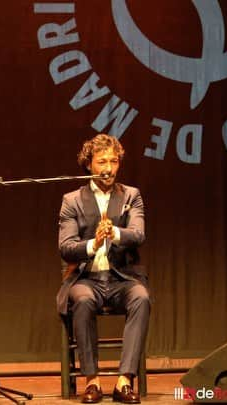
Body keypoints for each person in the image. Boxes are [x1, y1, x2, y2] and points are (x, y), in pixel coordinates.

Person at [57, 134, 150, 404]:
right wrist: (94, 242)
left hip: (122, 278)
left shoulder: (131, 195)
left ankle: (124, 381)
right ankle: (92, 381)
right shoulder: (72, 200)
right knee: (83, 300)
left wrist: (115, 233)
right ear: (89, 164)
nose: (108, 167)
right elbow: (66, 247)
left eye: (113, 161)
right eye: (101, 161)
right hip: (87, 278)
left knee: (142, 298)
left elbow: (138, 234)